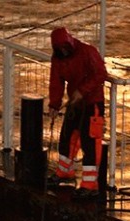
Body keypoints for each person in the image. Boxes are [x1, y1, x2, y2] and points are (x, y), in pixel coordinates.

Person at [47, 27, 108, 199]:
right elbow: (56, 82)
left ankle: (90, 185)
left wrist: (82, 91)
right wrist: (54, 104)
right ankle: (65, 172)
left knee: (90, 144)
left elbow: (100, 74)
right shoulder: (58, 59)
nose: (63, 52)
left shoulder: (88, 52)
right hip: (75, 103)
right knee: (67, 137)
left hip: (92, 103)